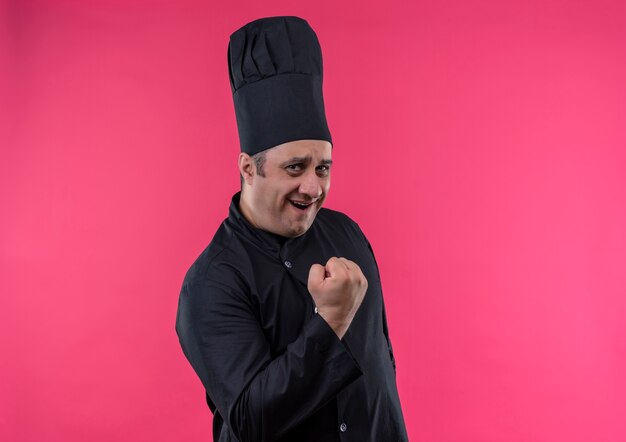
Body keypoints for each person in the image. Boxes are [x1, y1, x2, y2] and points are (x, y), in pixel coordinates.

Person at [176, 16, 408, 442]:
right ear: (249, 168)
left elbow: (381, 376)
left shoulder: (347, 233)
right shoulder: (212, 283)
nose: (313, 187)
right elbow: (251, 422)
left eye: (323, 167)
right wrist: (331, 322)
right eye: (295, 168)